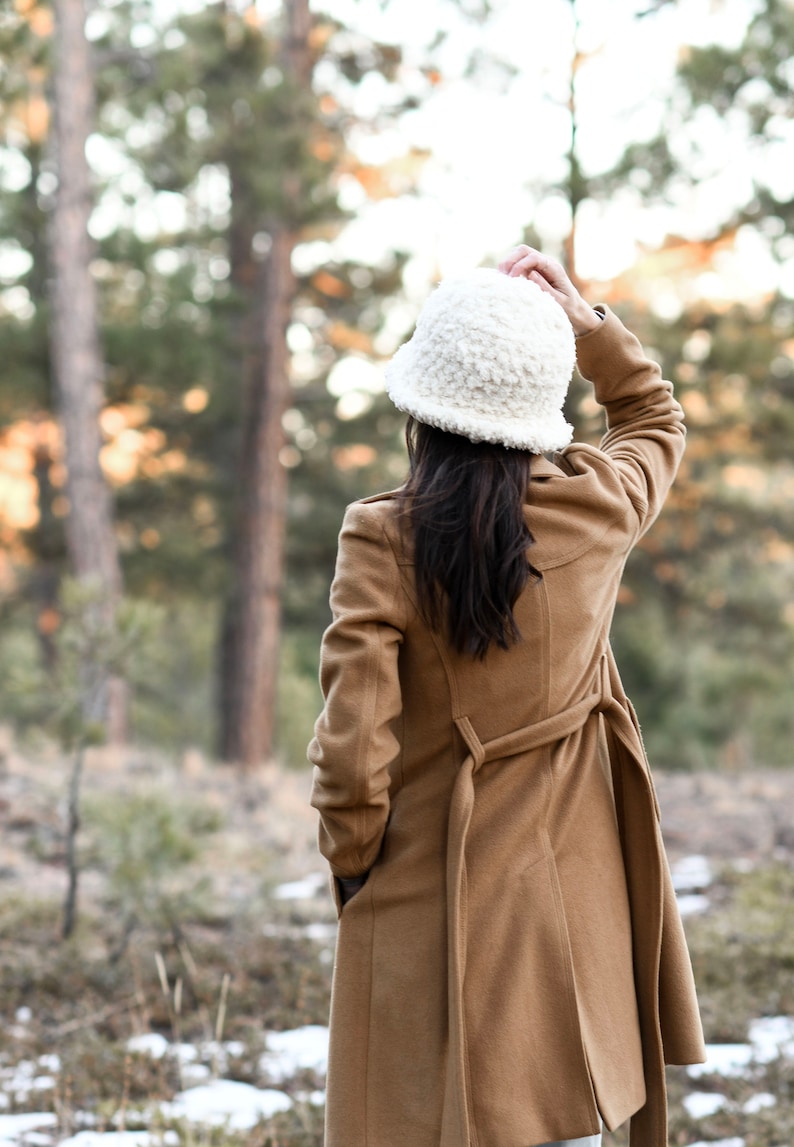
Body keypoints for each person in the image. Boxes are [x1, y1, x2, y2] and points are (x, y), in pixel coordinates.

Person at [308, 246, 705, 1147]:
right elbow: (652, 415)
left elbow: (352, 745)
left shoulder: (381, 537)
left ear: (422, 403)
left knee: (419, 1118)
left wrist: (355, 861)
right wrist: (586, 322)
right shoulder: (601, 502)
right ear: (539, 407)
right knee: (551, 1109)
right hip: (575, 883)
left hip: (429, 878)